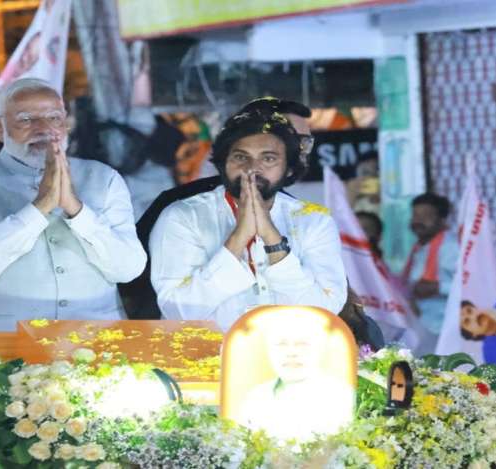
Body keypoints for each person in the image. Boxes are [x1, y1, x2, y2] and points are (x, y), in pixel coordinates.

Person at [0, 78, 146, 331]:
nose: (44, 129)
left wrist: (77, 211)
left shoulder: (104, 177)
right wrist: (38, 209)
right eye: (26, 120)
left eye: (54, 118)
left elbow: (128, 269)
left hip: (94, 337)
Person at [149, 108, 347, 330]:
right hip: (205, 358)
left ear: (289, 169)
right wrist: (238, 236)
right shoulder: (183, 216)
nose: (252, 168)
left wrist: (272, 239)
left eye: (269, 158)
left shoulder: (314, 221)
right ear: (223, 164)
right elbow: (178, 310)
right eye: (240, 157)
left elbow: (324, 312)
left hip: (291, 355)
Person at [120, 97, 314, 320]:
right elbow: (141, 287)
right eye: (291, 138)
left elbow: (322, 301)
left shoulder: (305, 216)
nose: (299, 150)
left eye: (305, 142)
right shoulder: (182, 207)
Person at [237, 313, 354, 441]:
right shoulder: (255, 397)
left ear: (320, 349)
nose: (291, 353)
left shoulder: (341, 395)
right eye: (281, 344)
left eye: (302, 344)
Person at [401, 193, 459, 336]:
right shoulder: (418, 248)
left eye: (426, 216)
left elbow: (472, 287)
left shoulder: (452, 247)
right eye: (415, 215)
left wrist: (438, 287)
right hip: (422, 329)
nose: (418, 221)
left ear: (442, 219)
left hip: (446, 331)